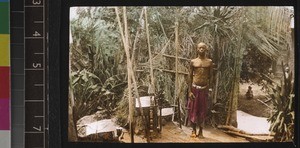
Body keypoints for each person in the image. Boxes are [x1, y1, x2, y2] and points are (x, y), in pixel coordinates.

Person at [187, 42, 213, 138]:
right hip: (194, 89)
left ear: (205, 49)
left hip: (204, 89)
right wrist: (189, 91)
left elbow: (211, 77)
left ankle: (201, 131)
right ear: (197, 49)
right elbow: (189, 76)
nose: (201, 49)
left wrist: (209, 89)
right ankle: (193, 130)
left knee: (202, 110)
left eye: (203, 48)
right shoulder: (193, 62)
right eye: (199, 48)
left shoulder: (209, 62)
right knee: (193, 110)